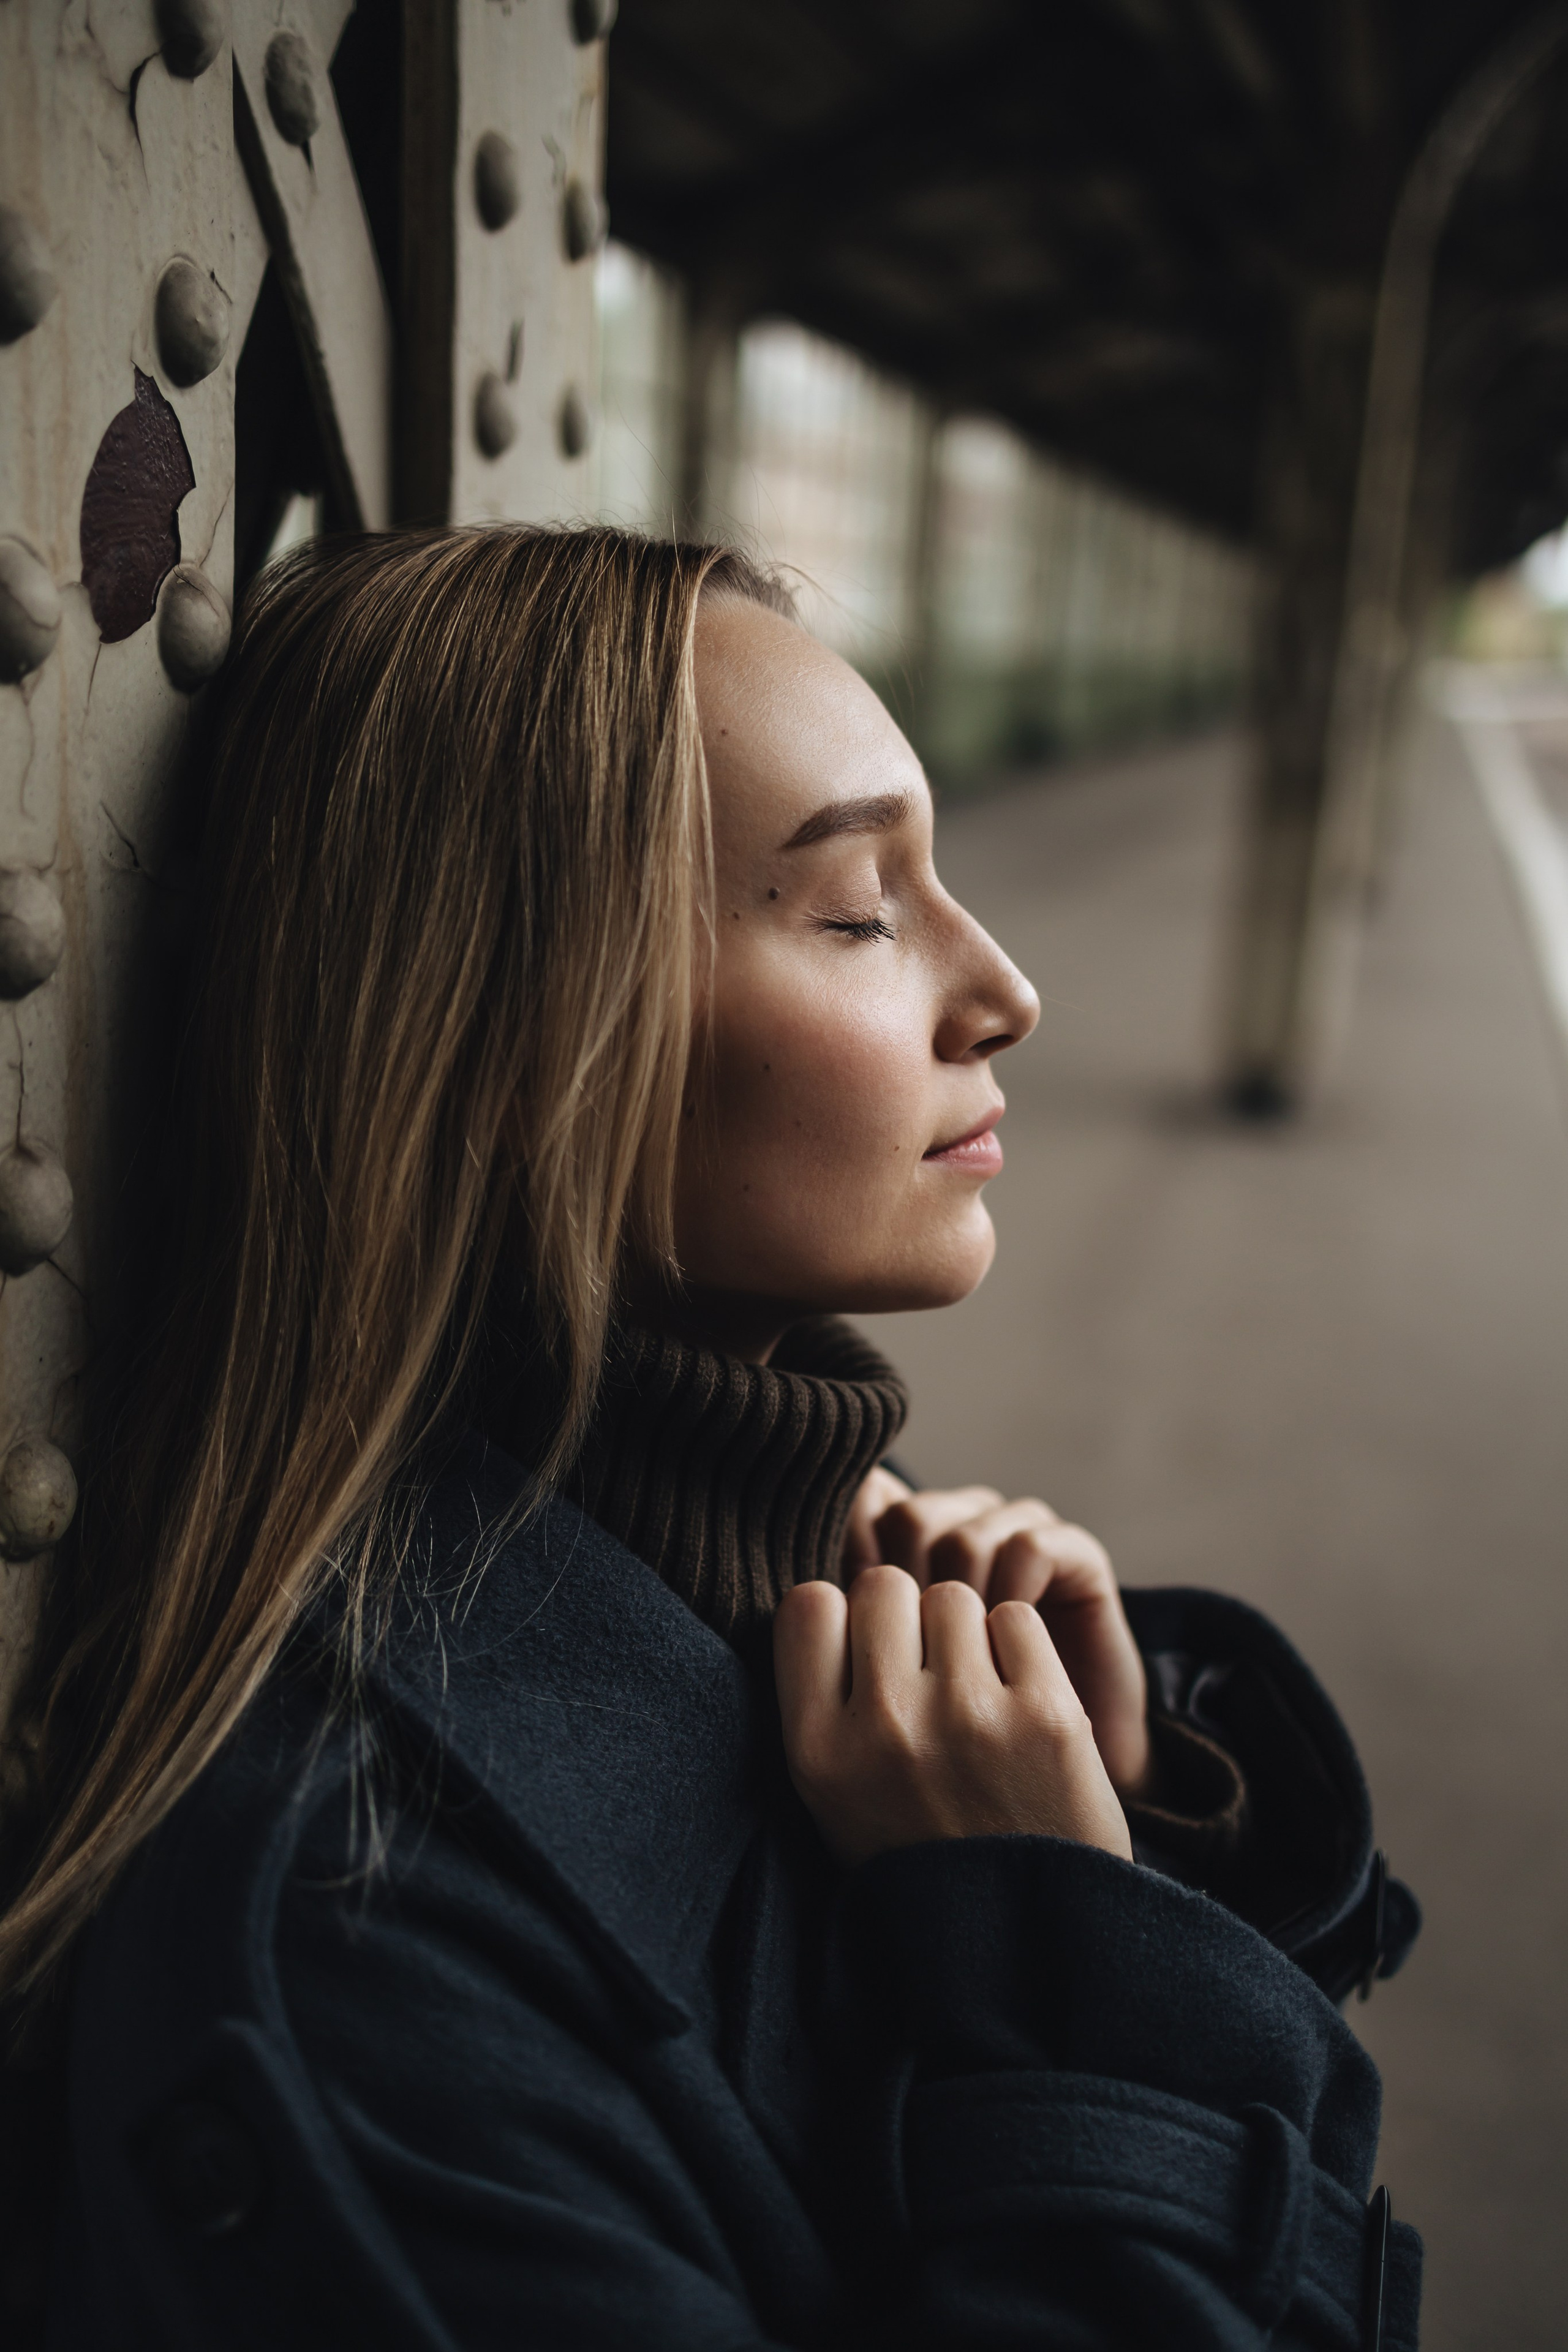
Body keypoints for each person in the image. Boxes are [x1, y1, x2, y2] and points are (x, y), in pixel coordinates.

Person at [0, 528, 1420, 2349]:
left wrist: (1115, 1828)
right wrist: (1059, 1964)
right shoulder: (364, 1966)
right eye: (859, 913)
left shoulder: (826, 1576)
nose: (1004, 991)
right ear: (516, 1038)